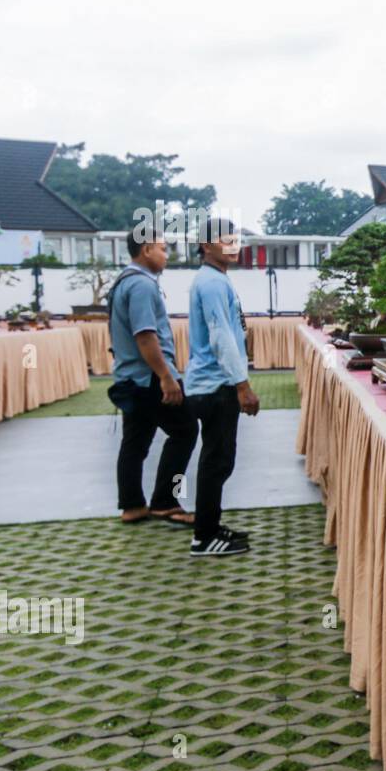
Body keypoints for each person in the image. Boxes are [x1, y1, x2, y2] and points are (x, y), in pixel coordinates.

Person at [108, 221, 198, 527]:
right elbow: (145, 336)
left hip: (131, 379)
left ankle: (132, 505)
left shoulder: (124, 281)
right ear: (146, 250)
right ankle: (165, 501)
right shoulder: (142, 285)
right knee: (185, 430)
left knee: (135, 441)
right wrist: (166, 377)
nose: (166, 255)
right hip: (149, 379)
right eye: (162, 249)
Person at [186, 217, 259, 557]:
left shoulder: (215, 279)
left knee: (219, 460)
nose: (234, 247)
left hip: (213, 383)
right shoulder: (212, 283)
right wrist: (242, 385)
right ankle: (203, 538)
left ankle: (211, 527)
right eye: (225, 241)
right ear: (205, 245)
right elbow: (221, 337)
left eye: (236, 240)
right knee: (216, 462)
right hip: (215, 385)